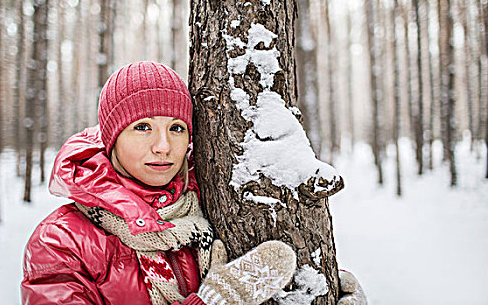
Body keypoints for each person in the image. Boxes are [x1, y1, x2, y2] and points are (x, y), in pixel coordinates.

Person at [21, 61, 365, 305]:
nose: (163, 146)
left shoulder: (209, 203)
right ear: (112, 137)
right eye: (142, 127)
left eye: (176, 127)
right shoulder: (61, 242)